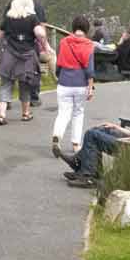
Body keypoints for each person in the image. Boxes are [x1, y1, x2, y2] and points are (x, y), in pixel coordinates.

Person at [64, 87, 130, 186]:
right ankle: (84, 168)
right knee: (101, 129)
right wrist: (115, 126)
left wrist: (123, 140)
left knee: (91, 134)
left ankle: (88, 176)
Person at [0, 0, 48, 125]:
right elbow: (39, 33)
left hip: (9, 54)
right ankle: (25, 113)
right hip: (26, 57)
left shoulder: (9, 18)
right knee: (25, 84)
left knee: (6, 84)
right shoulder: (32, 18)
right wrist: (44, 43)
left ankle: (1, 115)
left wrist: (7, 40)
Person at [50, 15, 96, 161]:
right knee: (78, 113)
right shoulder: (89, 45)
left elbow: (59, 63)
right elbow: (89, 69)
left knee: (63, 113)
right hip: (80, 84)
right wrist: (90, 87)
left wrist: (59, 75)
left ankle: (57, 135)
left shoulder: (64, 42)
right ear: (86, 29)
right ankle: (76, 144)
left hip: (64, 82)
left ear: (73, 27)